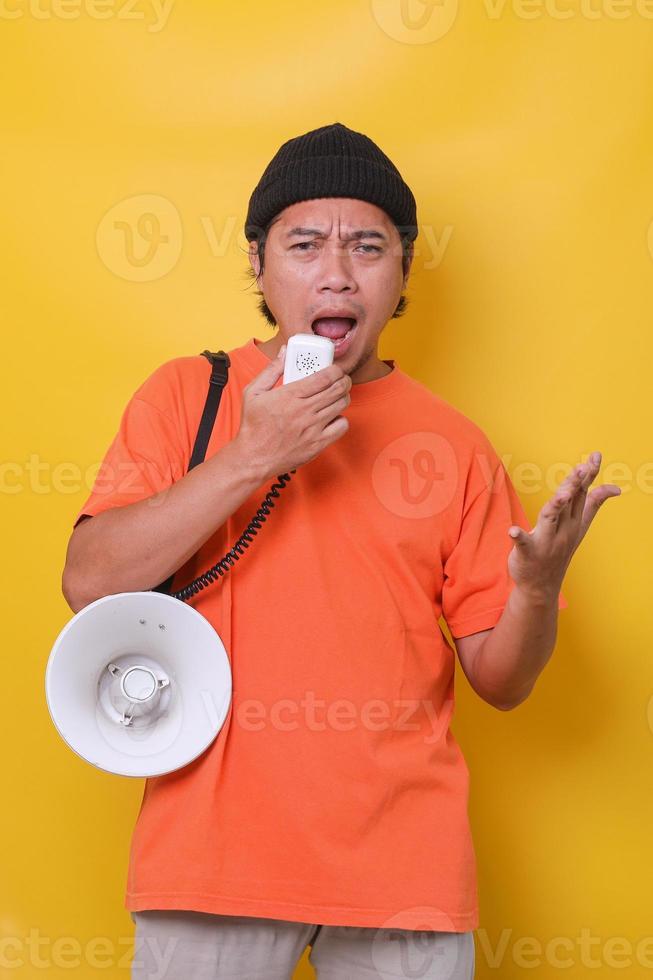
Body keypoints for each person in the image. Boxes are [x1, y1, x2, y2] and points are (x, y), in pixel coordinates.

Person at [62, 122, 620, 980]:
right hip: (211, 864)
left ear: (400, 272)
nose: (335, 271)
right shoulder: (186, 397)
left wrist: (535, 590)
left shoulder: (455, 445)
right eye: (304, 244)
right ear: (257, 262)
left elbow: (501, 683)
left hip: (405, 872)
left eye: (368, 246)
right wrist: (253, 454)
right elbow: (89, 582)